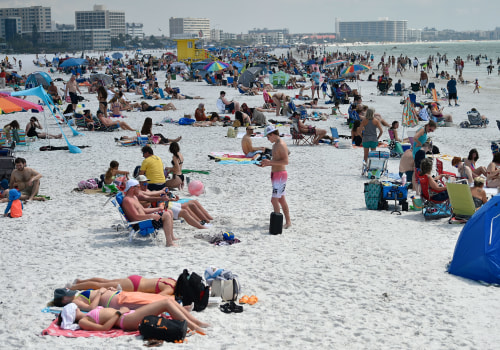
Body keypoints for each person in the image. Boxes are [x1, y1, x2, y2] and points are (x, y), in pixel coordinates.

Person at [57, 299, 208, 334]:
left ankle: (195, 322)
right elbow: (104, 328)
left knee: (168, 301)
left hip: (127, 316)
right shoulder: (83, 321)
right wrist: (119, 312)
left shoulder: (85, 315)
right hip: (126, 320)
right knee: (165, 303)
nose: (77, 307)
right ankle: (194, 326)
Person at [136, 176, 213, 229]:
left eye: (147, 183)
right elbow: (149, 198)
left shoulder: (147, 190)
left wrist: (170, 199)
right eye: (144, 184)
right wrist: (162, 196)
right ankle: (201, 225)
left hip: (163, 205)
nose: (146, 186)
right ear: (138, 185)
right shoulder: (139, 194)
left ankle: (203, 222)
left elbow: (154, 196)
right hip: (158, 209)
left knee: (189, 205)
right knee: (185, 210)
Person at [121, 179, 177, 247]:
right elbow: (136, 216)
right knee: (166, 215)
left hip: (145, 220)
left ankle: (172, 238)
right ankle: (169, 243)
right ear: (132, 188)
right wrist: (152, 216)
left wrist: (158, 209)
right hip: (141, 224)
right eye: (138, 187)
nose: (140, 189)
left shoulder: (134, 197)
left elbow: (143, 210)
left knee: (169, 211)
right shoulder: (127, 200)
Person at [259, 125, 291, 229]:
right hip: (276, 174)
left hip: (280, 175)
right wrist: (267, 164)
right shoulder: (275, 144)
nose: (268, 139)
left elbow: (286, 161)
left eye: (268, 137)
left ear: (272, 134)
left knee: (274, 200)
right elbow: (284, 155)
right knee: (281, 199)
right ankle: (288, 222)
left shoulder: (280, 144)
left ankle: (278, 224)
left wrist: (270, 162)